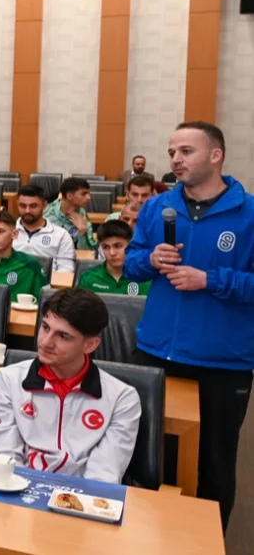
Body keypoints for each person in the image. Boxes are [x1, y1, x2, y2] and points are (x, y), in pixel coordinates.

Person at [123, 121, 254, 530]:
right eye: (172, 152)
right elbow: (129, 263)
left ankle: (205, 539)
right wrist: (150, 261)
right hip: (156, 349)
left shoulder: (249, 213)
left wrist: (211, 280)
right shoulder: (157, 207)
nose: (176, 159)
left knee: (213, 463)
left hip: (222, 360)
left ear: (216, 156)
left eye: (186, 151)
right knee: (147, 453)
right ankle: (146, 537)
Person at [0, 288, 141, 484]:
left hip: (81, 503)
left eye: (63, 336)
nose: (46, 342)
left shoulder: (122, 399)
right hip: (16, 494)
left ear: (90, 345)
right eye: (45, 327)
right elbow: (4, 462)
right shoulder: (7, 380)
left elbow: (103, 476)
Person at [13, 185, 76, 273]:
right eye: (23, 206)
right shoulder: (5, 231)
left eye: (33, 206)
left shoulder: (61, 235)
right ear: (17, 205)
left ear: (44, 206)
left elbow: (66, 269)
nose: (27, 210)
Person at [78, 221, 150, 296]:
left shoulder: (146, 279)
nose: (112, 253)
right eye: (106, 247)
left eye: (118, 246)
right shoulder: (88, 278)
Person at [45, 177, 97, 250]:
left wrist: (82, 232)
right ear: (69, 196)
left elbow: (89, 253)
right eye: (84, 194)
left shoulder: (83, 218)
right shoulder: (46, 213)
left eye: (88, 193)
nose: (89, 197)